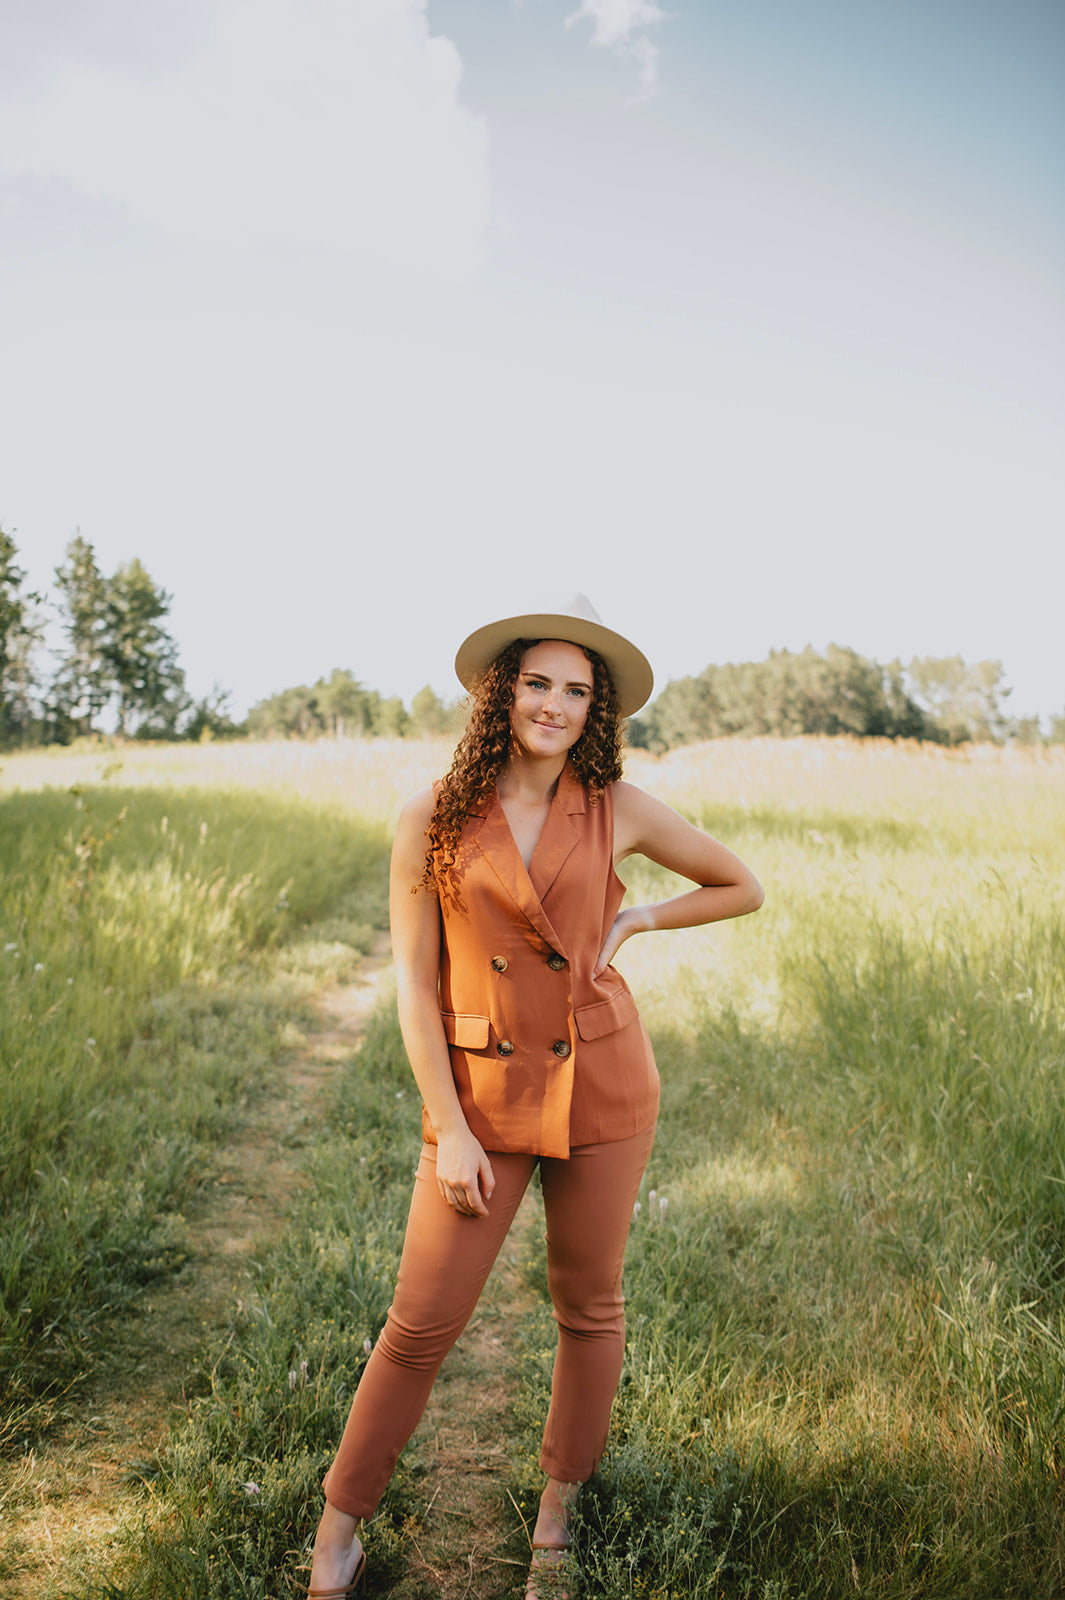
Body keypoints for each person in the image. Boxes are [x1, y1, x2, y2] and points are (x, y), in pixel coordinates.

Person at [305, 596, 763, 1599]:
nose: (554, 704)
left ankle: (556, 1517)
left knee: (589, 1307)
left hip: (603, 1082)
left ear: (596, 709)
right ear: (501, 691)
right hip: (482, 1094)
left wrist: (638, 918)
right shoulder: (431, 813)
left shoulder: (618, 806)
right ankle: (337, 1532)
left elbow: (741, 884)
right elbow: (415, 988)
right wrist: (451, 1128)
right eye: (537, 682)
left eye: (576, 690)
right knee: (419, 1323)